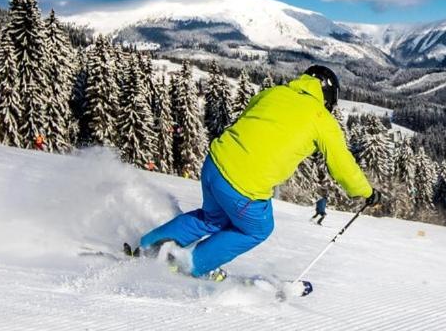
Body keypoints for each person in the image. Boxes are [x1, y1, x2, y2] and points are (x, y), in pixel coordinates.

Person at [134, 65, 381, 279]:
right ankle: (191, 266)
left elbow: (249, 118)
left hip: (215, 162)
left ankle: (148, 246)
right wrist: (366, 192)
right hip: (243, 184)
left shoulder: (276, 92)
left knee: (212, 218)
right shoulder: (321, 118)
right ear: (328, 96)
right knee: (257, 229)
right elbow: (342, 165)